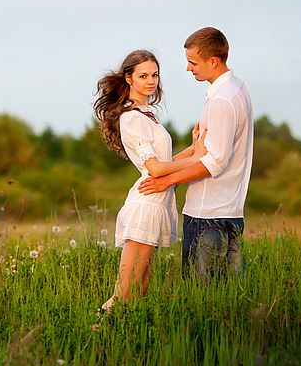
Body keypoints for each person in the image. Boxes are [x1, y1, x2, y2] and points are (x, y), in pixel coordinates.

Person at [94, 49, 208, 313]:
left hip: (157, 203)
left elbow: (163, 160)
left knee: (140, 288)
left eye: (154, 75)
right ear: (129, 78)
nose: (151, 81)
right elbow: (155, 169)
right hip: (146, 206)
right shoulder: (132, 117)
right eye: (143, 75)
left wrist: (192, 150)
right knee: (126, 291)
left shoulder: (145, 113)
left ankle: (126, 341)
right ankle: (96, 334)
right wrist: (196, 160)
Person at [139, 27, 254, 281]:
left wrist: (166, 181)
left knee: (201, 297)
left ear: (213, 61)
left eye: (193, 62)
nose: (188, 69)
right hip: (230, 212)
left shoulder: (222, 100)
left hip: (208, 216)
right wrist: (192, 150)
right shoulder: (237, 89)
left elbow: (215, 162)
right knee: (227, 298)